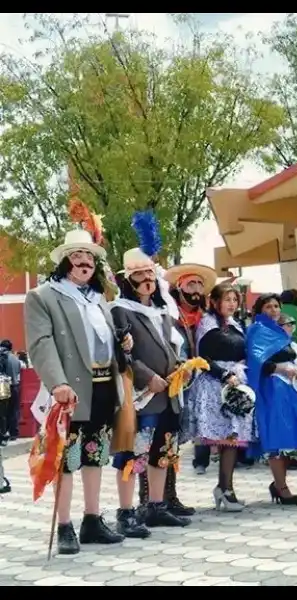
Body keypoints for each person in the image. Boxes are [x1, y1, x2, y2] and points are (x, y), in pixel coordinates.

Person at [25, 229, 133, 555]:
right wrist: (57, 383)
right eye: (77, 256)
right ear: (64, 262)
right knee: (66, 460)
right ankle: (65, 526)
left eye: (89, 257)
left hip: (102, 386)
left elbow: (101, 340)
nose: (85, 261)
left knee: (94, 454)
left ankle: (92, 519)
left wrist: (121, 343)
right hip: (69, 389)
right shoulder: (43, 296)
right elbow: (41, 343)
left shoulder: (98, 298)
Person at [110, 247, 189, 535]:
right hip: (141, 396)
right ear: (128, 280)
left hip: (169, 393)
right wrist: (147, 377)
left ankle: (156, 506)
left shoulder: (161, 311)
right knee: (132, 454)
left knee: (163, 452)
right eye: (140, 275)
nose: (147, 280)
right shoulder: (119, 309)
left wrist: (181, 366)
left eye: (150, 274)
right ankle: (126, 512)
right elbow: (121, 352)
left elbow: (172, 347)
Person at [246, 294, 297, 504]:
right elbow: (255, 362)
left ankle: (278, 483)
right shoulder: (257, 330)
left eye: (276, 306)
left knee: (292, 438)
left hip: (290, 390)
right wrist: (279, 367)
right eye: (268, 307)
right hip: (272, 389)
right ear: (260, 310)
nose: (273, 310)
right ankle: (281, 486)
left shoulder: (280, 332)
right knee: (278, 438)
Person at [189, 282, 255, 512]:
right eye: (227, 299)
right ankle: (225, 490)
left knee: (233, 440)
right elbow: (203, 358)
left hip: (237, 384)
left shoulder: (236, 325)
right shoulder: (207, 325)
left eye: (235, 300)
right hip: (215, 385)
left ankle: (225, 488)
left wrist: (241, 367)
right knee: (226, 439)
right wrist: (225, 374)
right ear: (215, 302)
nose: (232, 304)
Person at [163, 262, 217, 496]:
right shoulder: (169, 313)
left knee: (179, 439)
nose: (196, 289)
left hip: (202, 382)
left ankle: (171, 495)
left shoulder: (207, 317)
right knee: (166, 438)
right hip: (173, 382)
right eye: (191, 284)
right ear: (180, 287)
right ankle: (161, 497)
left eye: (199, 284)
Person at [0, 339, 22, 444]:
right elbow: (18, 372)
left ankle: (3, 433)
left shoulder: (2, 357)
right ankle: (14, 433)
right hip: (15, 386)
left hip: (3, 387)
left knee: (3, 411)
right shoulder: (16, 359)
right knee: (14, 410)